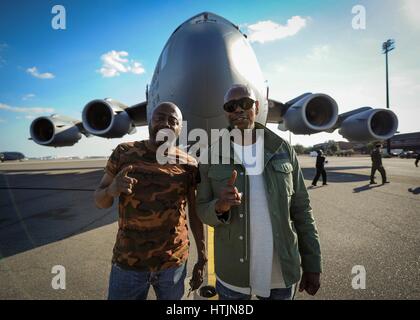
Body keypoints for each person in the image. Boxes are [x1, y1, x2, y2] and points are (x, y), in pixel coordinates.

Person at [196, 84, 322, 300]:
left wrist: (313, 263)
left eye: (244, 103)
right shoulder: (210, 155)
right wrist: (219, 207)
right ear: (225, 111)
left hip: (280, 273)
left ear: (256, 106)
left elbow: (302, 210)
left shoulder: (283, 150)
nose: (238, 110)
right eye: (231, 105)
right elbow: (201, 208)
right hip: (233, 276)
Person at [94, 102, 207, 300]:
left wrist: (202, 257)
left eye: (173, 121)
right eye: (159, 118)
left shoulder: (189, 164)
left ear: (180, 128)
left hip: (173, 264)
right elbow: (99, 200)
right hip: (129, 264)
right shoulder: (124, 153)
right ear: (149, 122)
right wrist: (112, 190)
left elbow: (195, 213)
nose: (165, 123)